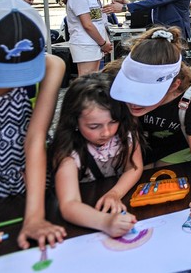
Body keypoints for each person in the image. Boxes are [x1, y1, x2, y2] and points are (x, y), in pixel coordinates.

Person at [0, 0, 67, 250]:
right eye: (1, 70)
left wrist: (34, 217)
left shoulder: (51, 67)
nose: (10, 82)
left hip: (27, 185)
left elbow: (35, 139)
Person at [107, 27, 191, 220]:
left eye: (146, 93)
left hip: (175, 156)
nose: (134, 101)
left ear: (174, 85)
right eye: (131, 88)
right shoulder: (108, 82)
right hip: (130, 158)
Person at [49, 74, 143, 237]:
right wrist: (105, 222)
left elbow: (134, 167)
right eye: (94, 126)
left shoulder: (124, 133)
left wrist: (115, 193)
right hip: (84, 219)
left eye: (113, 122)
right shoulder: (68, 153)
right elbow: (69, 204)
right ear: (74, 121)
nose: (106, 132)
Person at [61, 0, 112, 76]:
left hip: (94, 43)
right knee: (86, 78)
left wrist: (105, 41)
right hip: (85, 43)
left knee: (93, 77)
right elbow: (87, 24)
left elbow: (99, 21)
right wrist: (103, 43)